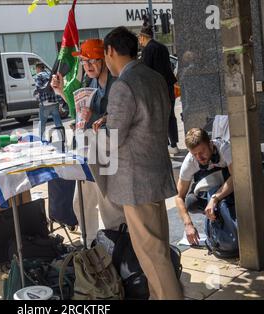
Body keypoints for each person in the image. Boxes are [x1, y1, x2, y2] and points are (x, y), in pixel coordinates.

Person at [103, 26, 183, 299]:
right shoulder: (154, 77)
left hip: (135, 183)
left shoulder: (123, 85)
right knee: (157, 249)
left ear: (110, 51)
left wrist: (97, 131)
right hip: (156, 176)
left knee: (153, 256)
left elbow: (112, 138)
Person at [51, 38, 126, 247]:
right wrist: (61, 94)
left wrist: (103, 118)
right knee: (81, 203)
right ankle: (90, 245)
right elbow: (80, 108)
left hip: (109, 152)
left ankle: (119, 248)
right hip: (88, 149)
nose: (88, 66)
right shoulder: (88, 82)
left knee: (109, 208)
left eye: (92, 60)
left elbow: (122, 116)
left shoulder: (117, 82)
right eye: (84, 62)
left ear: (104, 59)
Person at [175, 128, 234, 246]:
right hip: (209, 189)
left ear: (210, 144)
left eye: (202, 152)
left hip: (229, 188)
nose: (199, 158)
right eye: (194, 154)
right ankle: (215, 216)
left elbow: (237, 177)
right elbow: (179, 197)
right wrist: (188, 224)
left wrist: (215, 198)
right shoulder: (190, 161)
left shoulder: (224, 148)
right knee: (191, 202)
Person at [138, 25, 180, 155]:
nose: (139, 41)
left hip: (156, 88)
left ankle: (165, 145)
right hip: (168, 86)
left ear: (143, 37)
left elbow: (145, 71)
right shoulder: (162, 47)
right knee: (171, 115)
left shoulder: (147, 50)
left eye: (139, 37)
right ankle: (174, 144)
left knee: (159, 117)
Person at [34, 63, 63, 140]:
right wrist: (60, 102)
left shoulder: (38, 76)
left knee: (42, 122)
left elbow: (38, 88)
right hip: (54, 102)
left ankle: (41, 139)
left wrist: (37, 98)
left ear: (38, 68)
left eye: (35, 69)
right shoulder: (50, 75)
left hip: (45, 103)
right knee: (58, 121)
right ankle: (62, 138)